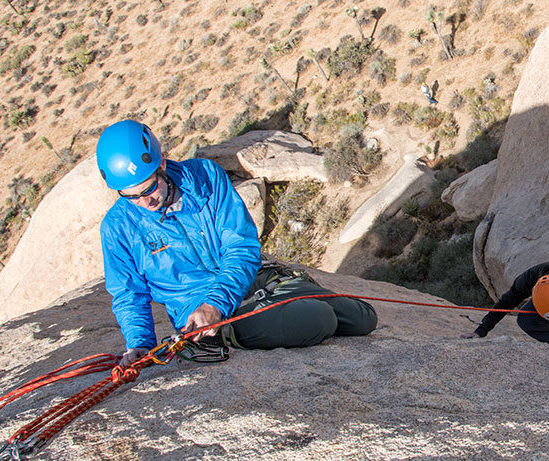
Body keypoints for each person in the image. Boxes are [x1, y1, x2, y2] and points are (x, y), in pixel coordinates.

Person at [96, 120, 377, 367]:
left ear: (163, 164)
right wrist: (140, 343)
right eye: (130, 196)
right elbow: (128, 293)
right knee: (319, 319)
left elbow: (240, 246)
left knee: (363, 317)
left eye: (148, 188)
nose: (145, 201)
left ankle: (283, 296)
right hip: (202, 318)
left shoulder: (205, 177)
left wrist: (217, 301)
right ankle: (273, 310)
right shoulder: (118, 227)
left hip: (249, 281)